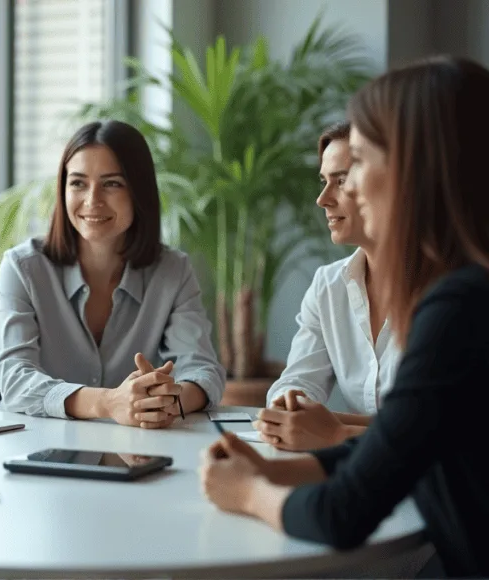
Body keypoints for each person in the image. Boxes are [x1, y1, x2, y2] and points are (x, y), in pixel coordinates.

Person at [200, 56, 489, 578]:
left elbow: (343, 514)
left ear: (415, 167)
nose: (346, 191)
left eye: (360, 162)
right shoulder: (467, 287)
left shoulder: (461, 305)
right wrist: (273, 467)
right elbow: (408, 443)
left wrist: (248, 492)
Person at [0, 120, 225, 427]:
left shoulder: (172, 270)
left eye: (112, 183)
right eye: (78, 183)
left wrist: (166, 400)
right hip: (30, 447)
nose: (92, 200)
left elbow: (203, 370)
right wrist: (109, 402)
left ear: (139, 191)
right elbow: (15, 380)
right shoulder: (22, 268)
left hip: (132, 450)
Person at [257, 122, 401, 451]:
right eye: (324, 181)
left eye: (341, 180)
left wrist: (331, 428)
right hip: (364, 470)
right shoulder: (328, 286)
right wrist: (289, 407)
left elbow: (440, 426)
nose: (322, 199)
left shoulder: (451, 289)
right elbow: (297, 379)